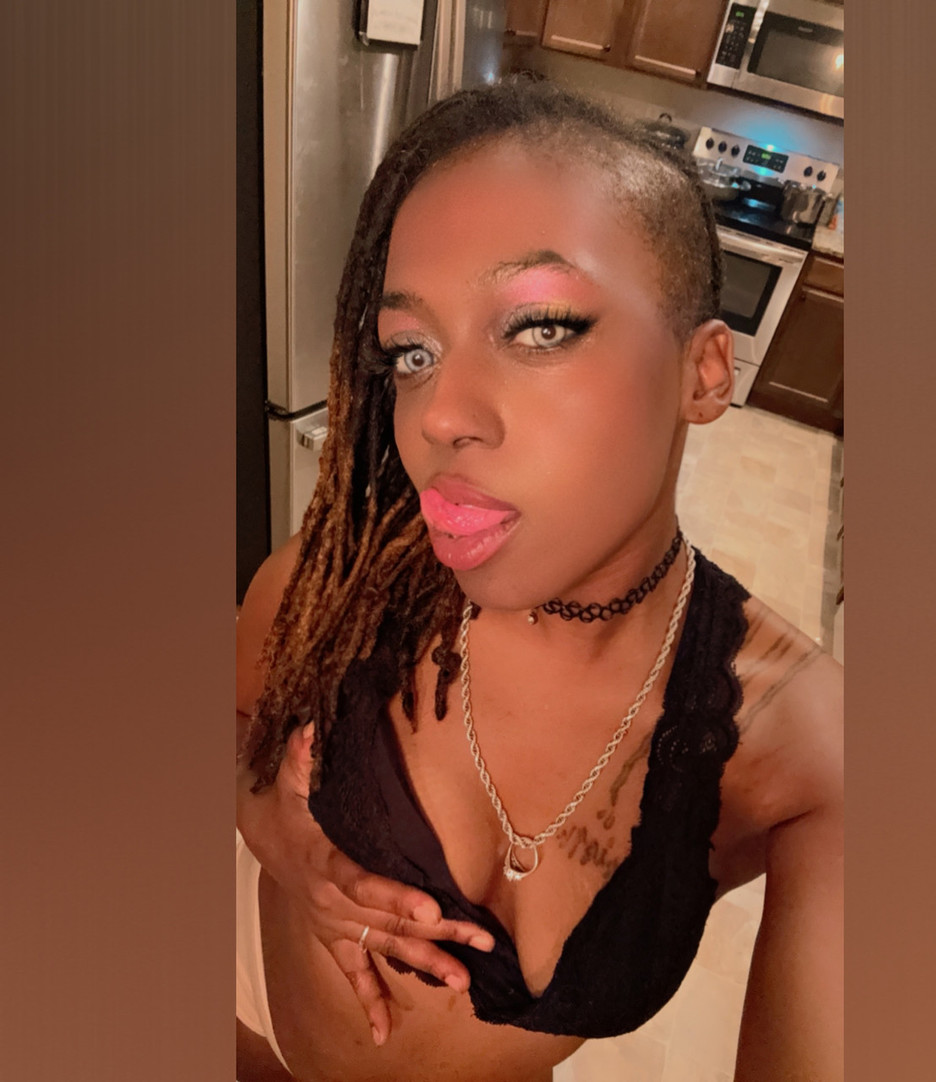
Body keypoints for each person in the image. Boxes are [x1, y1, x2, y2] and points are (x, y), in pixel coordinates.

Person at [236, 76, 842, 1082]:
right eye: (412, 352)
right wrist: (283, 840)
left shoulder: (806, 752)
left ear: (704, 372)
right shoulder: (339, 584)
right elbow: (232, 727)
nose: (439, 414)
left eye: (540, 327)